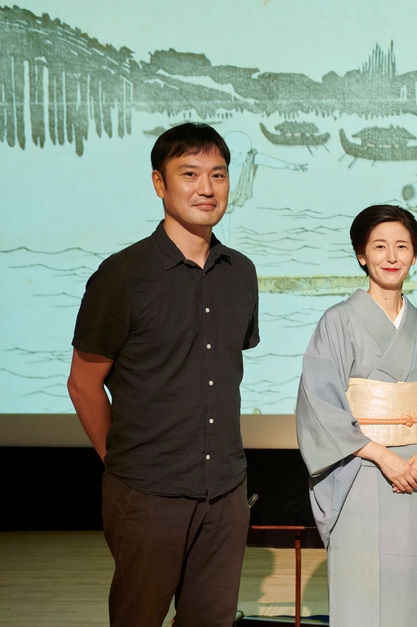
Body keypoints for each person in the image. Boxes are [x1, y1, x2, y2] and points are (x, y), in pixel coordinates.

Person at [67, 122, 259, 627]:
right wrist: (123, 462)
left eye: (218, 174)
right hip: (147, 494)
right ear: (159, 183)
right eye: (189, 173)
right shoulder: (123, 275)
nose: (206, 187)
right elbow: (83, 383)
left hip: (226, 490)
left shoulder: (241, 272)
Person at [295, 204, 417, 627]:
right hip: (360, 468)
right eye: (379, 246)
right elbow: (320, 402)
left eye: (402, 247)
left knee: (414, 589)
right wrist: (382, 455)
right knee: (361, 587)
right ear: (361, 254)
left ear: (415, 255)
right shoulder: (337, 322)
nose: (392, 256)